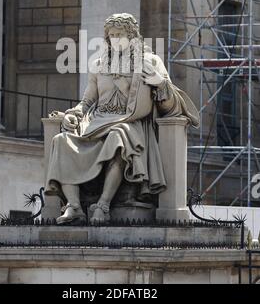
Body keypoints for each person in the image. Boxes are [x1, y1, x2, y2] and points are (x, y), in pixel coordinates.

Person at [45, 13, 199, 225]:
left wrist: (160, 83)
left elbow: (171, 106)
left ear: (132, 36)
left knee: (118, 137)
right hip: (97, 122)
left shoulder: (150, 62)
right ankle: (74, 207)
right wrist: (73, 114)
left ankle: (103, 205)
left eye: (120, 35)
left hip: (130, 122)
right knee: (61, 141)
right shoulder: (99, 65)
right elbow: (87, 101)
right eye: (111, 35)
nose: (115, 39)